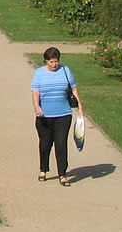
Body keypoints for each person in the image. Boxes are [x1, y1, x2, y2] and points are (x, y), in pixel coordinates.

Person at [31, 46, 83, 185]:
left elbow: (73, 88)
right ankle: (43, 169)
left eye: (56, 62)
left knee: (61, 144)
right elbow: (35, 91)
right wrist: (37, 107)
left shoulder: (66, 71)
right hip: (44, 116)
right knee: (45, 144)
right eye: (51, 62)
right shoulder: (39, 73)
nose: (54, 65)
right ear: (45, 61)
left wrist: (80, 106)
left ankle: (62, 174)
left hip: (63, 114)